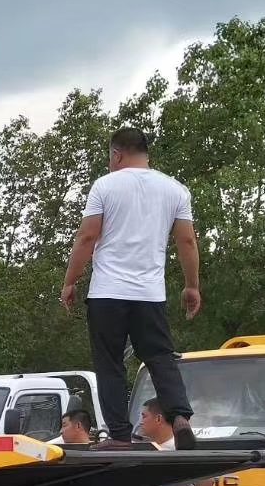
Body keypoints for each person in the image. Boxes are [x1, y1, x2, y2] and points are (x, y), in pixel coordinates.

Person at [60, 127, 201, 450]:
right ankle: (180, 417)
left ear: (117, 154)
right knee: (160, 358)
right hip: (150, 294)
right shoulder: (175, 190)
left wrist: (70, 280)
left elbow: (87, 237)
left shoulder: (104, 186)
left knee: (110, 363)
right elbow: (187, 241)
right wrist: (191, 286)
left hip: (107, 293)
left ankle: (120, 435)